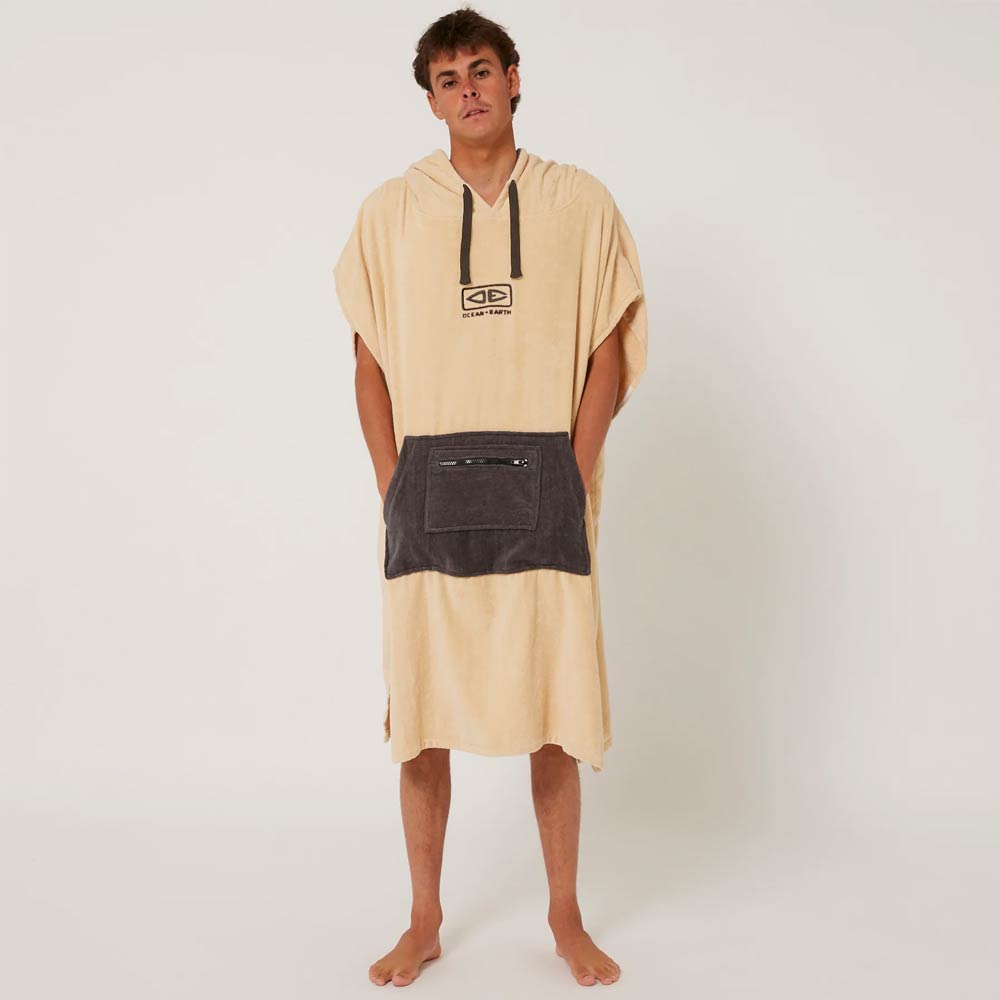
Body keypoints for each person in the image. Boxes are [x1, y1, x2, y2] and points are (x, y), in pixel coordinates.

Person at [332, 6, 647, 988]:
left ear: (514, 78)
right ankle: (424, 918)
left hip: (544, 483)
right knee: (423, 716)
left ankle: (564, 915)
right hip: (426, 488)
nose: (466, 88)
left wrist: (573, 471)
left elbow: (606, 347)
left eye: (480, 69)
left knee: (555, 708)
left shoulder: (578, 203)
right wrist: (392, 482)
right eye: (447, 78)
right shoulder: (391, 212)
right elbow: (367, 359)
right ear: (431, 101)